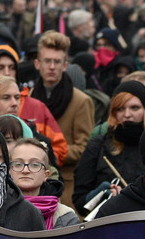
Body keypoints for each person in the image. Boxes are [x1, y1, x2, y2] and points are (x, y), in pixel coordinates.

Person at [31, 31, 96, 205]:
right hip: (31, 183)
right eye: (47, 61)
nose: (52, 66)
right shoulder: (28, 98)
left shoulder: (81, 101)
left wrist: (49, 153)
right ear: (37, 64)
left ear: (65, 65)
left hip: (65, 186)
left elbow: (85, 148)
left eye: (57, 61)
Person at [72, 80, 145, 211]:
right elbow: (79, 202)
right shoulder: (98, 145)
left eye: (135, 108)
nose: (127, 114)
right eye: (120, 109)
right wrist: (98, 195)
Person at [9, 137, 79, 228]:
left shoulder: (64, 216)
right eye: (18, 164)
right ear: (9, 171)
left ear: (46, 175)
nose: (25, 170)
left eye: (34, 165)